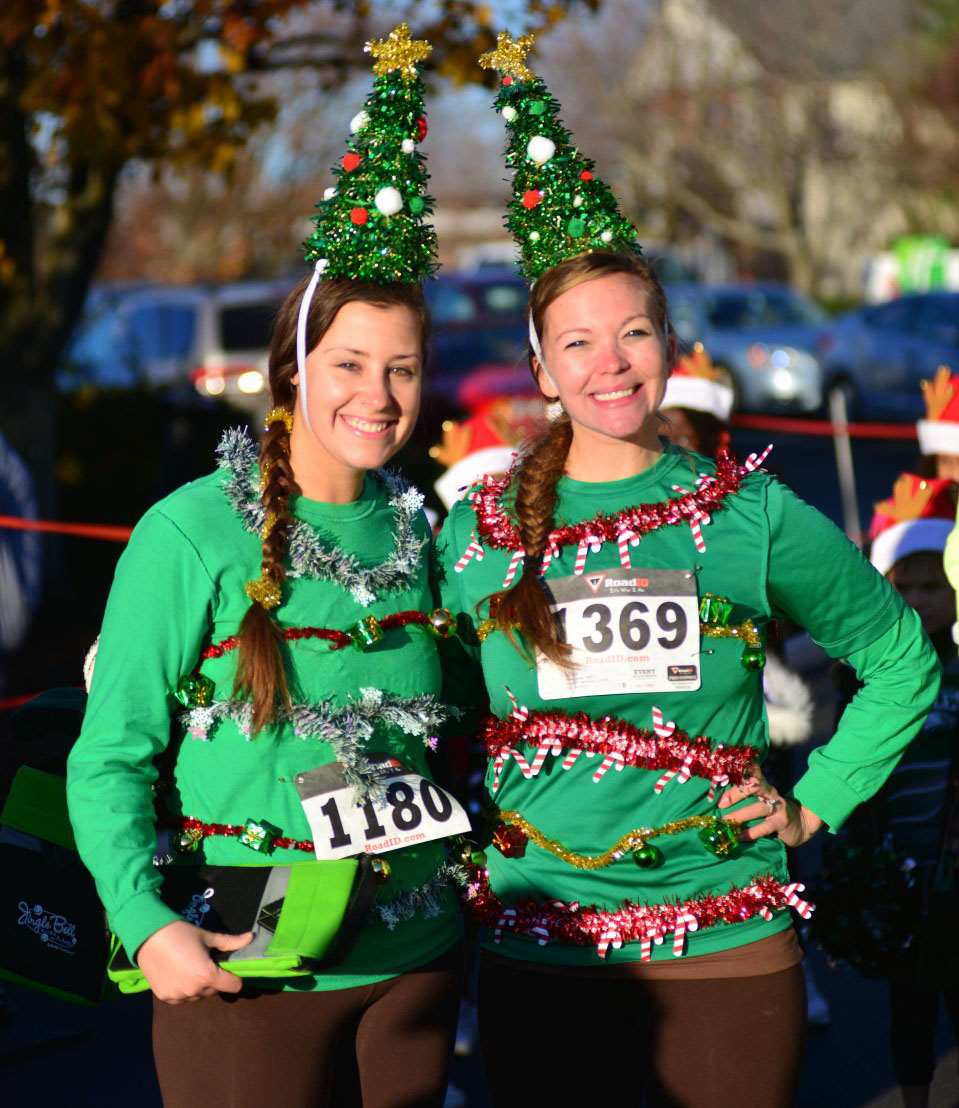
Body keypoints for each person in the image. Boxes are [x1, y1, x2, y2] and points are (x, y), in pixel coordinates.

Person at [435, 33, 940, 1106]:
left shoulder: (746, 511)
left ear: (667, 344)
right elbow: (405, 697)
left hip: (728, 943)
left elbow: (900, 656)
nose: (606, 362)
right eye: (575, 342)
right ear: (538, 365)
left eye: (630, 333)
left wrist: (816, 804)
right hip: (541, 943)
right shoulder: (475, 531)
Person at [67, 27, 466, 1108]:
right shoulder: (189, 532)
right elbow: (110, 754)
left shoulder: (427, 531)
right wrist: (146, 923)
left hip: (415, 965)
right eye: (348, 363)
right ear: (291, 367)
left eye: (402, 367)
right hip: (240, 960)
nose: (377, 395)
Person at [827, 475, 959, 1108]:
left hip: (953, 874)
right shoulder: (865, 676)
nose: (919, 601)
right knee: (909, 1011)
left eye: (933, 588)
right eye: (902, 589)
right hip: (897, 876)